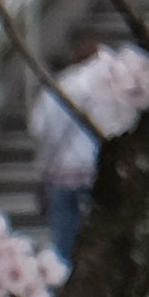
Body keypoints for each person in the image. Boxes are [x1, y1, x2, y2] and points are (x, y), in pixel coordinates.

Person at [31, 28, 107, 265]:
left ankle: (64, 279)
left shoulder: (62, 85)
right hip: (100, 169)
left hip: (61, 171)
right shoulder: (112, 88)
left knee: (64, 234)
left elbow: (38, 126)